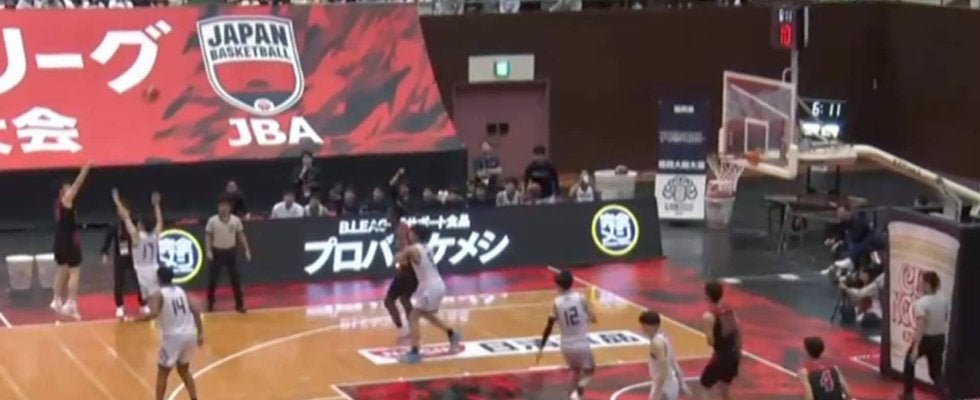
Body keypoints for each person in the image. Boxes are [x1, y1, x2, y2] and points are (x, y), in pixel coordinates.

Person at [134, 267, 203, 400]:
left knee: (163, 372)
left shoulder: (160, 294)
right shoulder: (181, 291)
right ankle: (194, 398)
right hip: (189, 334)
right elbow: (195, 309)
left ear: (158, 278)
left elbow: (154, 313)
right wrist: (200, 332)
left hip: (173, 337)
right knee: (184, 369)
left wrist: (141, 319)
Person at [398, 225, 461, 364]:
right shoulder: (428, 247)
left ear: (415, 235)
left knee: (413, 316)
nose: (409, 235)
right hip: (437, 284)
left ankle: (415, 352)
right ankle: (452, 333)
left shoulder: (412, 249)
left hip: (430, 287)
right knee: (425, 314)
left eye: (410, 233)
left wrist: (402, 242)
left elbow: (397, 259)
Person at [535, 270, 597, 400]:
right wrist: (589, 318)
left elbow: (549, 326)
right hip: (581, 342)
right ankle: (580, 386)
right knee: (590, 371)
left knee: (574, 371)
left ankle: (571, 396)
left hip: (566, 345)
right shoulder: (580, 298)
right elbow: (593, 317)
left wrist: (541, 347)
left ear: (559, 285)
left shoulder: (557, 303)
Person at [110, 190, 165, 316]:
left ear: (142, 226)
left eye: (139, 223)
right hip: (154, 269)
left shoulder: (136, 237)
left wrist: (117, 201)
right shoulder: (155, 235)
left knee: (147, 298)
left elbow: (125, 217)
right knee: (154, 296)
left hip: (142, 271)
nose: (138, 224)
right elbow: (160, 221)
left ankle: (151, 313)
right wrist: (157, 205)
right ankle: (156, 314)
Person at [51, 161, 93, 320]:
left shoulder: (58, 204)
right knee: (74, 271)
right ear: (63, 192)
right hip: (69, 240)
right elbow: (78, 184)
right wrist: (85, 170)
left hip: (59, 240)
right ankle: (71, 303)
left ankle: (56, 300)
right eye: (68, 188)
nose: (71, 190)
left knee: (62, 269)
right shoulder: (66, 200)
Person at [901, 271, 948, 400]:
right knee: (935, 373)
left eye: (922, 282)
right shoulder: (944, 300)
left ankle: (908, 394)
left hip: (926, 338)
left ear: (927, 284)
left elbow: (921, 325)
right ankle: (948, 394)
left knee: (909, 361)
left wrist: (916, 348)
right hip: (939, 338)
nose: (920, 285)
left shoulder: (922, 303)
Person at [101, 198, 147, 319]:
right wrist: (105, 253)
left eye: (123, 210)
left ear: (129, 211)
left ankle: (143, 304)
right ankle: (120, 306)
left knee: (139, 280)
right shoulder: (114, 226)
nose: (120, 212)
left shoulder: (134, 223)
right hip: (120, 257)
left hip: (134, 256)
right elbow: (108, 240)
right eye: (118, 210)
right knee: (118, 282)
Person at [205, 197, 252, 313]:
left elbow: (241, 235)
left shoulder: (235, 221)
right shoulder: (212, 221)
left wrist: (246, 249)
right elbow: (208, 237)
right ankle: (210, 303)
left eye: (225, 206)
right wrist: (208, 251)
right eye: (221, 206)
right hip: (217, 252)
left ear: (229, 208)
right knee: (213, 280)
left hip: (231, 252)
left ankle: (239, 304)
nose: (223, 209)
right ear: (218, 208)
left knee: (236, 279)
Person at [700, 282, 741, 400]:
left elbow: (710, 341)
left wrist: (707, 330)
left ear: (707, 296)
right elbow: (737, 330)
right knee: (724, 389)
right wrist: (738, 350)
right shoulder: (729, 310)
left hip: (721, 356)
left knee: (705, 386)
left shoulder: (709, 316)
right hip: (734, 355)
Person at [382, 205, 417, 342]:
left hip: (406, 270)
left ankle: (401, 329)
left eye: (389, 214)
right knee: (404, 299)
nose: (387, 217)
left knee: (389, 300)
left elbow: (406, 248)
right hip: (411, 270)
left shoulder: (401, 230)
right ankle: (413, 331)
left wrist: (399, 260)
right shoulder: (403, 227)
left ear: (394, 216)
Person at [639, 310, 689, 400]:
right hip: (670, 383)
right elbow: (674, 363)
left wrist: (657, 391)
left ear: (650, 326)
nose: (642, 328)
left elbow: (664, 370)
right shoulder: (665, 338)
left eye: (643, 325)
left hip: (664, 386)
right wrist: (682, 382)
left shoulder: (656, 344)